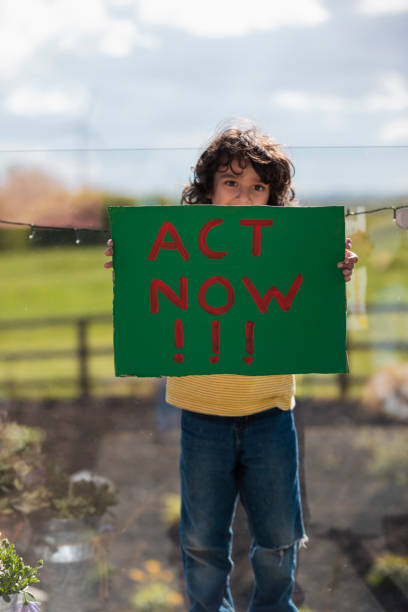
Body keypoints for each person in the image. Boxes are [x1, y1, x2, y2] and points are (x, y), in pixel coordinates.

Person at [104, 122, 358, 612]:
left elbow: (305, 307)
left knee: (281, 535)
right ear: (208, 191)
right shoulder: (184, 246)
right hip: (200, 417)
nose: (244, 197)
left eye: (258, 187)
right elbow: (155, 302)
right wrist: (136, 262)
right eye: (232, 184)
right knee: (201, 540)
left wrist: (331, 270)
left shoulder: (286, 247)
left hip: (270, 414)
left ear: (273, 197)